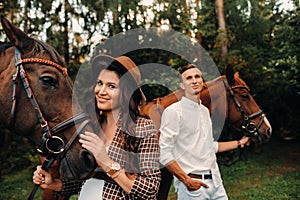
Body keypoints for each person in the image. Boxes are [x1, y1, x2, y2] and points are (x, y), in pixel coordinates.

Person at [32, 55, 161, 199]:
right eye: (100, 83)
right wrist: (54, 184)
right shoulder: (92, 125)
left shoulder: (142, 127)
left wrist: (106, 161)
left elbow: (151, 189)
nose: (101, 91)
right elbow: (89, 179)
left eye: (111, 86)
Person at [159, 64, 250, 200]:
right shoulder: (173, 112)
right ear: (182, 86)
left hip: (216, 183)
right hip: (193, 188)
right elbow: (164, 152)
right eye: (189, 78)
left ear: (202, 82)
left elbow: (208, 147)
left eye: (197, 76)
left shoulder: (204, 111)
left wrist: (239, 143)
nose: (194, 80)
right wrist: (186, 180)